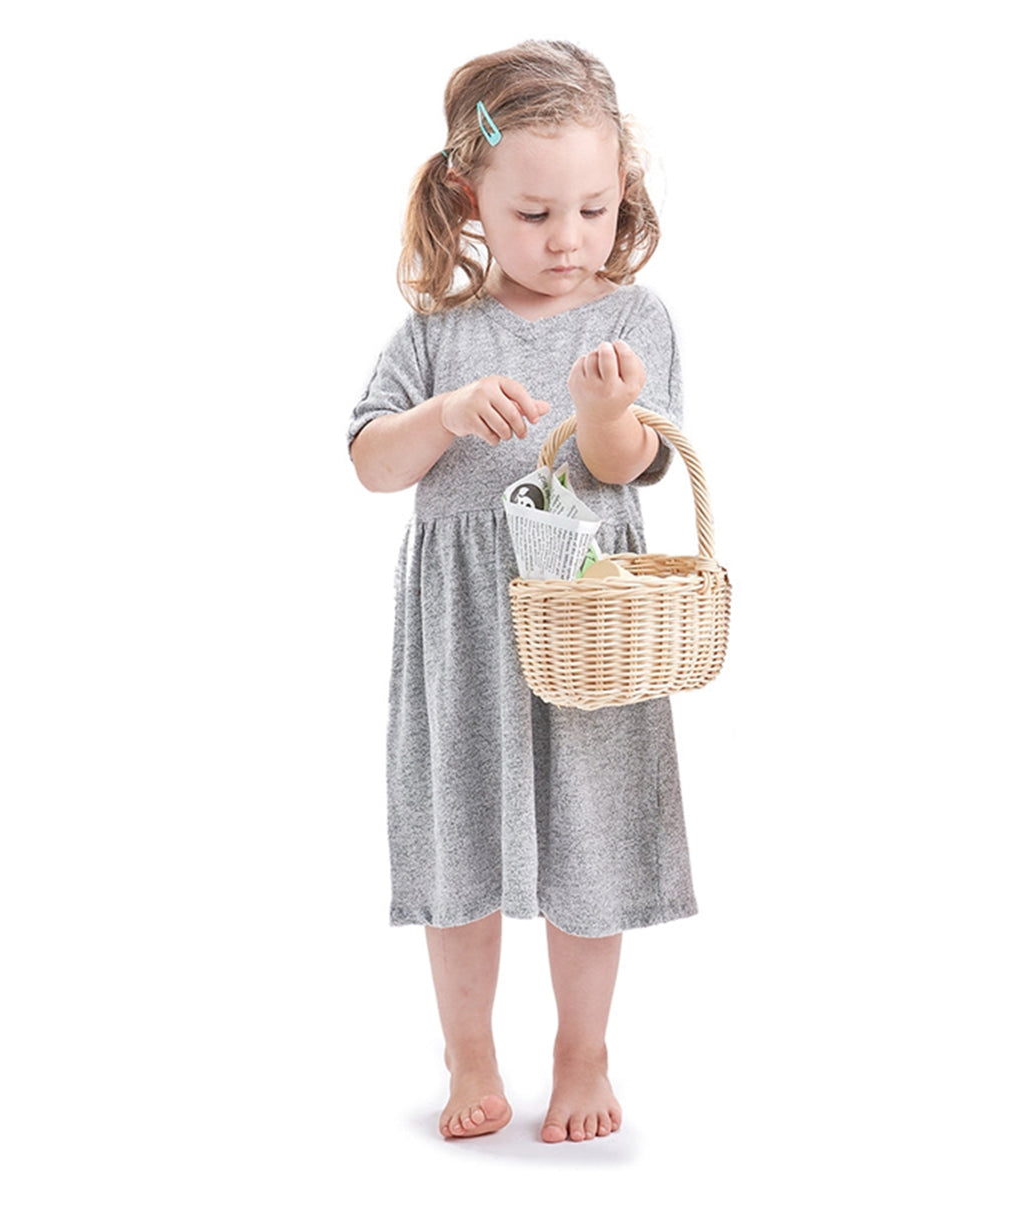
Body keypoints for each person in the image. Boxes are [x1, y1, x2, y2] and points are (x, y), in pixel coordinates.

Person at [348, 40, 695, 1144]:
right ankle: (467, 1048)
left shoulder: (631, 324)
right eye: (535, 214)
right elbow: (369, 461)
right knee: (458, 837)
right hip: (463, 636)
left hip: (586, 626)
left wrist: (599, 412)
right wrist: (444, 413)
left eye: (592, 211)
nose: (568, 240)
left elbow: (628, 463)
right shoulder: (434, 338)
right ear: (470, 197)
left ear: (622, 195)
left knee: (591, 835)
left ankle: (582, 1043)